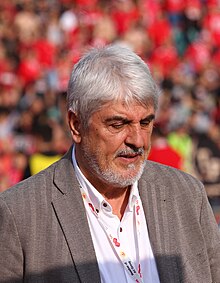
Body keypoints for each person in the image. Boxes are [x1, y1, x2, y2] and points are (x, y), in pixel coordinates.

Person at [0, 44, 219, 283]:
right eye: (118, 124)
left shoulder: (187, 195)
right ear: (76, 124)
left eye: (145, 123)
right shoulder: (19, 214)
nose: (137, 140)